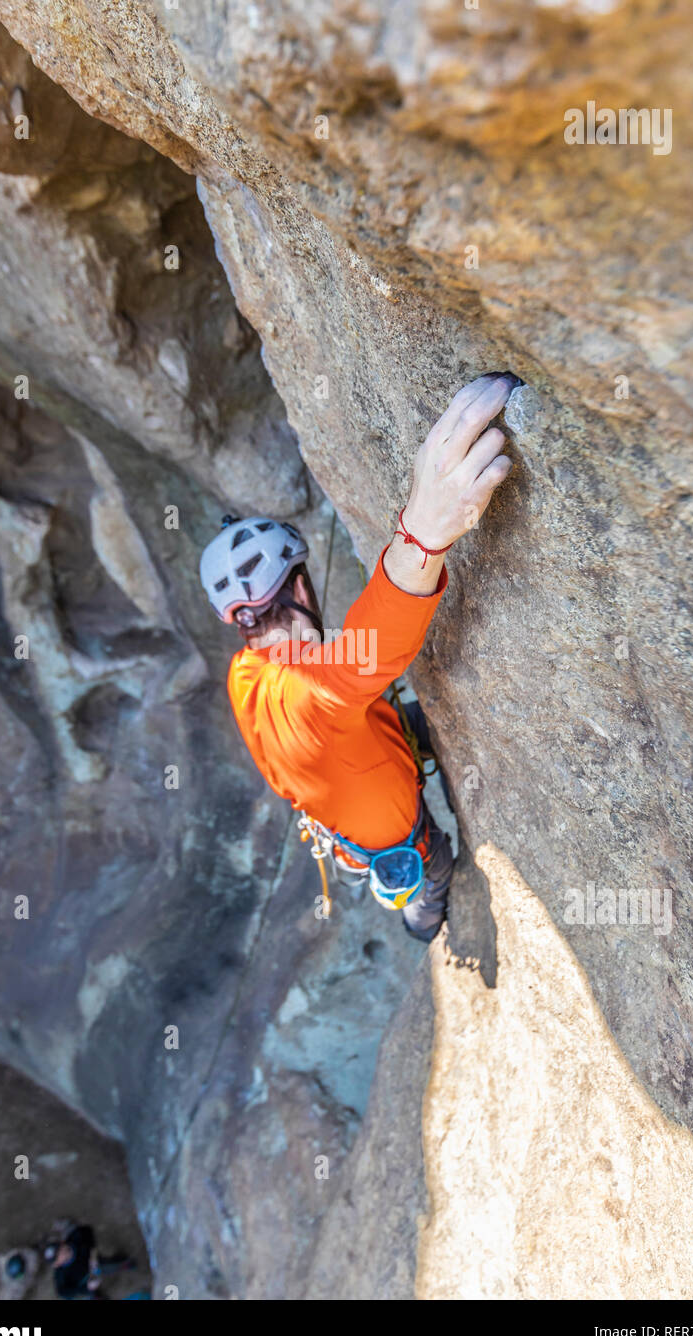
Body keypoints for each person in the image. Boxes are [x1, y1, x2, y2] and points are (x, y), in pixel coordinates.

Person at [200, 372, 519, 941]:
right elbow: (369, 651)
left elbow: (340, 673)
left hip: (357, 788)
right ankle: (423, 922)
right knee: (436, 863)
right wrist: (424, 528)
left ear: (241, 622)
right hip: (398, 841)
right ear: (301, 589)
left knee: (422, 724)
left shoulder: (244, 674)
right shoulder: (317, 691)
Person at [45, 1224, 133, 1300]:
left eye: (59, 1249)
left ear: (62, 1243)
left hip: (96, 1264)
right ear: (56, 1264)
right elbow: (62, 1292)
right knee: (90, 1295)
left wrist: (93, 1254)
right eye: (58, 1256)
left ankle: (122, 1264)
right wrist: (85, 1288)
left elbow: (87, 1231)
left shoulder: (76, 1238)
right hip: (84, 1283)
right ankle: (96, 1295)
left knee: (111, 1265)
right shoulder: (60, 1274)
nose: (62, 1252)